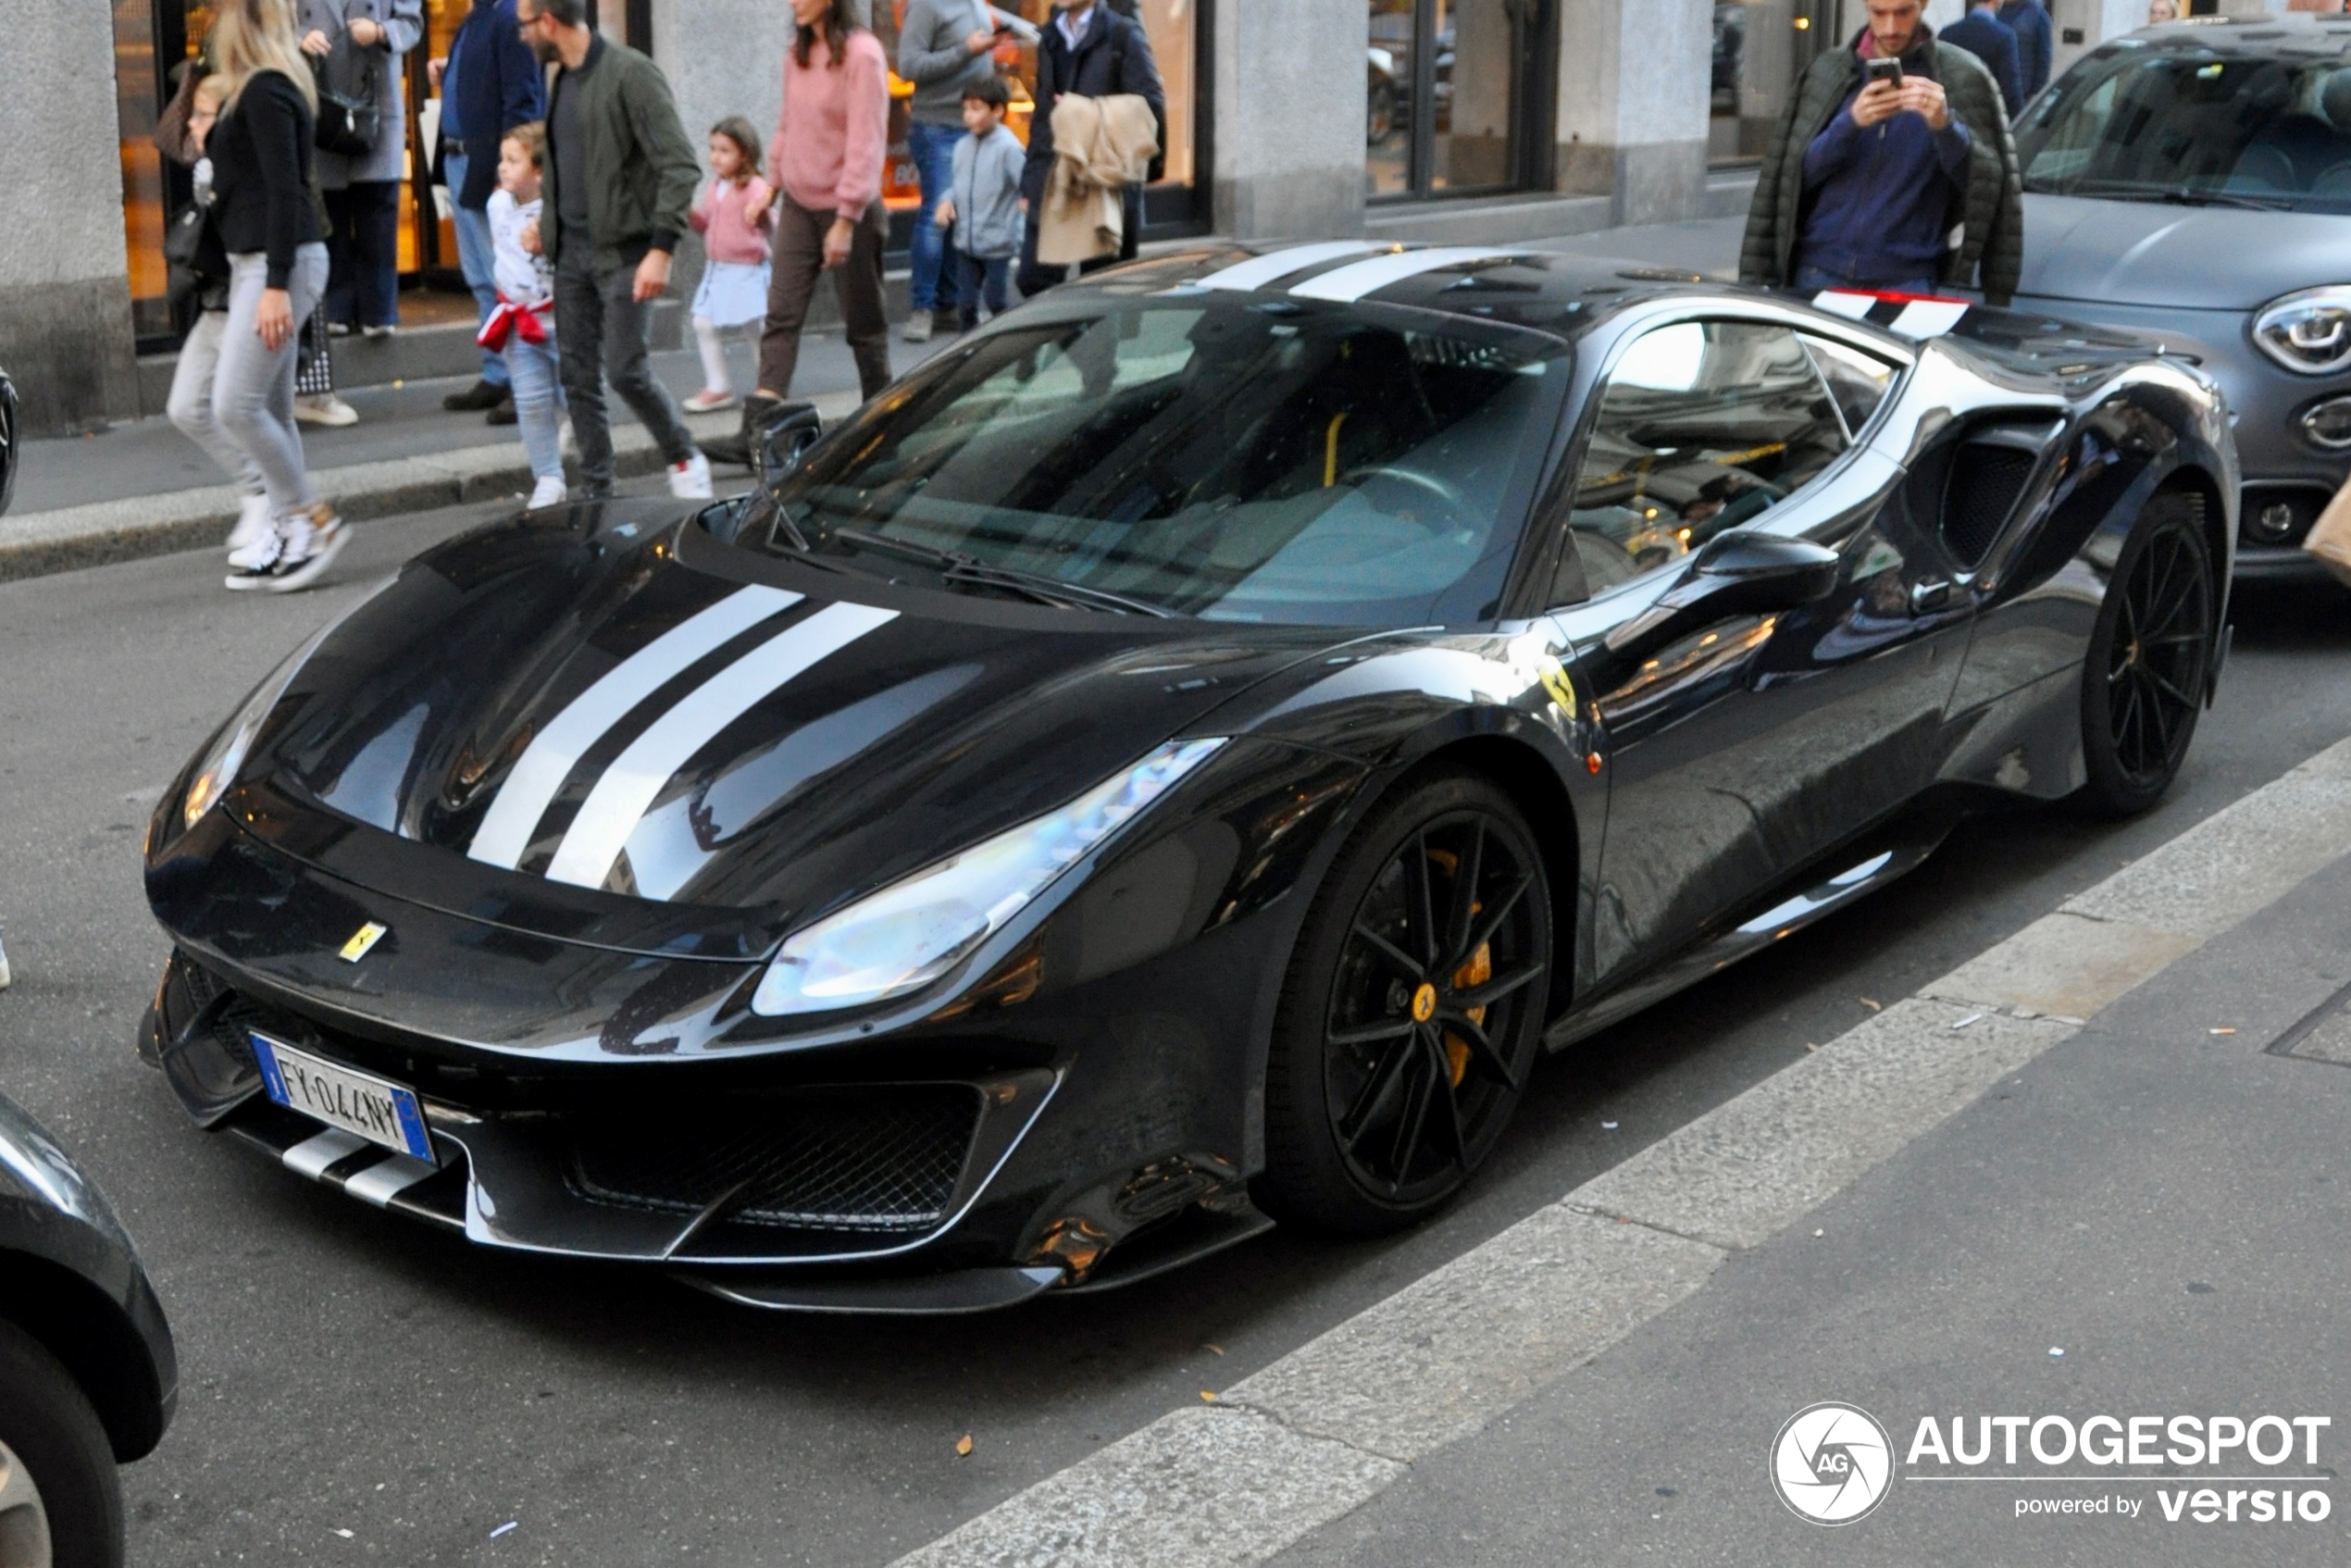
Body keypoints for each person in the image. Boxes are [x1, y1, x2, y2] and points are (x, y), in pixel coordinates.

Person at [166, 0, 347, 592]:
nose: (212, 26)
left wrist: (274, 286)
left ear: (242, 23)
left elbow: (286, 194)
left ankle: (309, 520)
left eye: (220, 15)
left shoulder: (266, 90)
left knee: (233, 405)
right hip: (264, 264)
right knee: (264, 407)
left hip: (276, 266)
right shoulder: (256, 89)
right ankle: (286, 526)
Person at [516, 0, 712, 500]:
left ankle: (683, 454)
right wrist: (548, 223)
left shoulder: (631, 74)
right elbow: (573, 169)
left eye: (523, 25)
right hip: (572, 256)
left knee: (625, 369)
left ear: (548, 23)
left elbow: (681, 166)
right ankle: (597, 492)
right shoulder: (561, 80)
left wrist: (662, 250)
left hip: (626, 253)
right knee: (577, 378)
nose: (520, 37)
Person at [1738, 0, 2022, 305]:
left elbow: (1986, 188)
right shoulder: (1827, 73)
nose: (1890, 27)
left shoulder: (1963, 77)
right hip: (1819, 271)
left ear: (1923, 4)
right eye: (1879, 12)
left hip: (1906, 279)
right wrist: (1850, 124)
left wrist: (1945, 126)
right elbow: (1792, 179)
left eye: (1903, 12)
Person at [710, 0, 889, 468]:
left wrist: (846, 220)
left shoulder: (863, 55)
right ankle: (753, 434)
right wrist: (770, 187)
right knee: (781, 315)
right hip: (799, 205)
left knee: (863, 325)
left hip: (849, 208)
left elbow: (866, 144)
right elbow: (788, 126)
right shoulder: (798, 54)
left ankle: (886, 425)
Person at [432, 0, 545, 424]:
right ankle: (498, 373)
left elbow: (522, 98)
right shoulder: (482, 14)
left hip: (489, 165)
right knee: (482, 277)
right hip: (463, 160)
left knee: (510, 278)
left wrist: (510, 170)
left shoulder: (505, 15)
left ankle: (524, 380)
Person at [1016, 0, 1164, 299]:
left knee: (1104, 290)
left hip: (1103, 179)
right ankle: (1068, 342)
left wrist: (1083, 113)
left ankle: (1088, 343)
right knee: (1034, 282)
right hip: (1056, 174)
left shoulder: (1123, 35)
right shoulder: (1050, 36)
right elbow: (1043, 115)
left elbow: (1150, 109)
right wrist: (1030, 183)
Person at [298, 2, 421, 346]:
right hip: (323, 106)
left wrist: (380, 32)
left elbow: (413, 24)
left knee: (377, 212)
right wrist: (302, 38)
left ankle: (379, 312)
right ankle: (336, 309)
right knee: (331, 213)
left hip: (377, 107)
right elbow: (274, 25)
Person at [896, 0, 1000, 342]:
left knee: (959, 214)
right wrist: (965, 51)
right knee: (935, 217)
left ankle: (948, 305)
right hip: (938, 127)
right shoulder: (926, 6)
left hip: (972, 129)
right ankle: (921, 307)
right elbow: (909, 66)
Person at [481, 123, 566, 508]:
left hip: (561, 320)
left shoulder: (559, 208)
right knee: (530, 401)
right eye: (502, 159)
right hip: (518, 322)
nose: (502, 167)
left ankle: (583, 442)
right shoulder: (497, 204)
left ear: (539, 172)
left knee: (574, 396)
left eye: (513, 161)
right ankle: (548, 477)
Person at [683, 118, 776, 414]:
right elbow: (708, 221)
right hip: (718, 268)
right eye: (713, 149)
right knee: (703, 322)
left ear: (744, 154)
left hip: (746, 268)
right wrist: (689, 216)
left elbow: (771, 221)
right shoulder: (715, 187)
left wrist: (760, 215)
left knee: (756, 326)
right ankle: (718, 385)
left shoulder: (755, 187)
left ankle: (770, 383)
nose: (715, 157)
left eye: (724, 150)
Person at [933, 74, 1024, 333]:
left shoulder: (1009, 149)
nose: (968, 116)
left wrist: (1019, 222)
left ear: (997, 110)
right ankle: (967, 353)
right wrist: (946, 201)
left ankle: (1013, 342)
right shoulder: (962, 146)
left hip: (997, 243)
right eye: (965, 109)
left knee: (996, 300)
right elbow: (958, 186)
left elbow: (1026, 187)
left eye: (976, 109)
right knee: (967, 304)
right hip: (966, 242)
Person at [1945, 0, 2023, 117]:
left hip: (1953, 119)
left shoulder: (1947, 34)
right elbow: (2011, 92)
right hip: (1988, 121)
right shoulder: (2004, 37)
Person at [1998, 0, 2054, 101]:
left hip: (2022, 93)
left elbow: (2043, 57)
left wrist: (2037, 92)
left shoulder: (2037, 14)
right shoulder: (1995, 10)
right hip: (1994, 91)